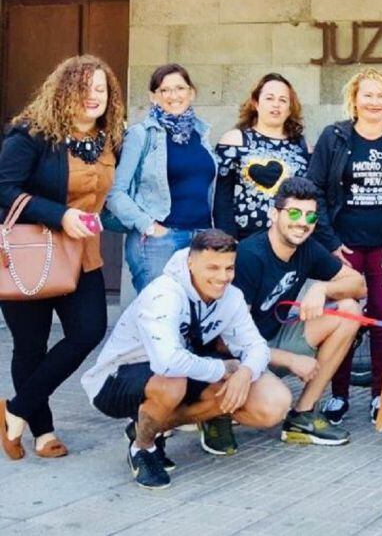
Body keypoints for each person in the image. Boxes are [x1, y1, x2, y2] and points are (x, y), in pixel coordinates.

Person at [80, 230, 289, 489]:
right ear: (190, 262)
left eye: (229, 268)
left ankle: (150, 426)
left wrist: (245, 372)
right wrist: (222, 368)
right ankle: (142, 448)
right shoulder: (164, 293)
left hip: (183, 370)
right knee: (172, 382)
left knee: (273, 402)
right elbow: (166, 362)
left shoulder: (231, 296)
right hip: (116, 379)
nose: (222, 277)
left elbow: (257, 346)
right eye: (212, 267)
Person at [0, 55, 123, 462]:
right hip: (29, 254)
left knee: (88, 332)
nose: (94, 96)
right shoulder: (31, 134)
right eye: (85, 87)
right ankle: (43, 430)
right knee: (30, 345)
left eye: (101, 89)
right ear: (64, 90)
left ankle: (14, 410)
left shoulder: (109, 139)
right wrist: (60, 214)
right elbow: (4, 189)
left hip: (82, 255)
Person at [221, 177, 367, 454]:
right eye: (295, 213)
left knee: (349, 310)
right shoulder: (250, 256)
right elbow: (226, 341)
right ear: (274, 214)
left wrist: (323, 288)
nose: (303, 222)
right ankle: (212, 414)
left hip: (272, 339)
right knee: (275, 406)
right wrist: (290, 360)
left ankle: (303, 415)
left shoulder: (307, 248)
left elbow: (358, 285)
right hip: (236, 357)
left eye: (310, 216)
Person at [306, 68, 382, 425]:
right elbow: (314, 187)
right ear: (354, 99)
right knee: (346, 316)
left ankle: (381, 397)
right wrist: (330, 241)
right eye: (367, 95)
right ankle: (339, 395)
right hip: (343, 246)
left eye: (381, 96)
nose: (374, 102)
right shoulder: (334, 137)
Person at [107, 63, 215, 293]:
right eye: (164, 90)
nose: (173, 96)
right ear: (153, 97)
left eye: (180, 88)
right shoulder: (141, 134)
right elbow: (115, 193)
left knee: (196, 317)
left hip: (202, 239)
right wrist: (148, 226)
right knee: (158, 315)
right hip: (161, 240)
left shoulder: (201, 133)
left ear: (191, 92)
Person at [214, 73, 310, 240]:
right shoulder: (235, 140)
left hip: (289, 240)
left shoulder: (302, 146)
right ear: (256, 103)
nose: (276, 105)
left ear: (289, 108)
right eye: (269, 98)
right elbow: (222, 197)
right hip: (244, 239)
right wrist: (228, 242)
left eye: (283, 100)